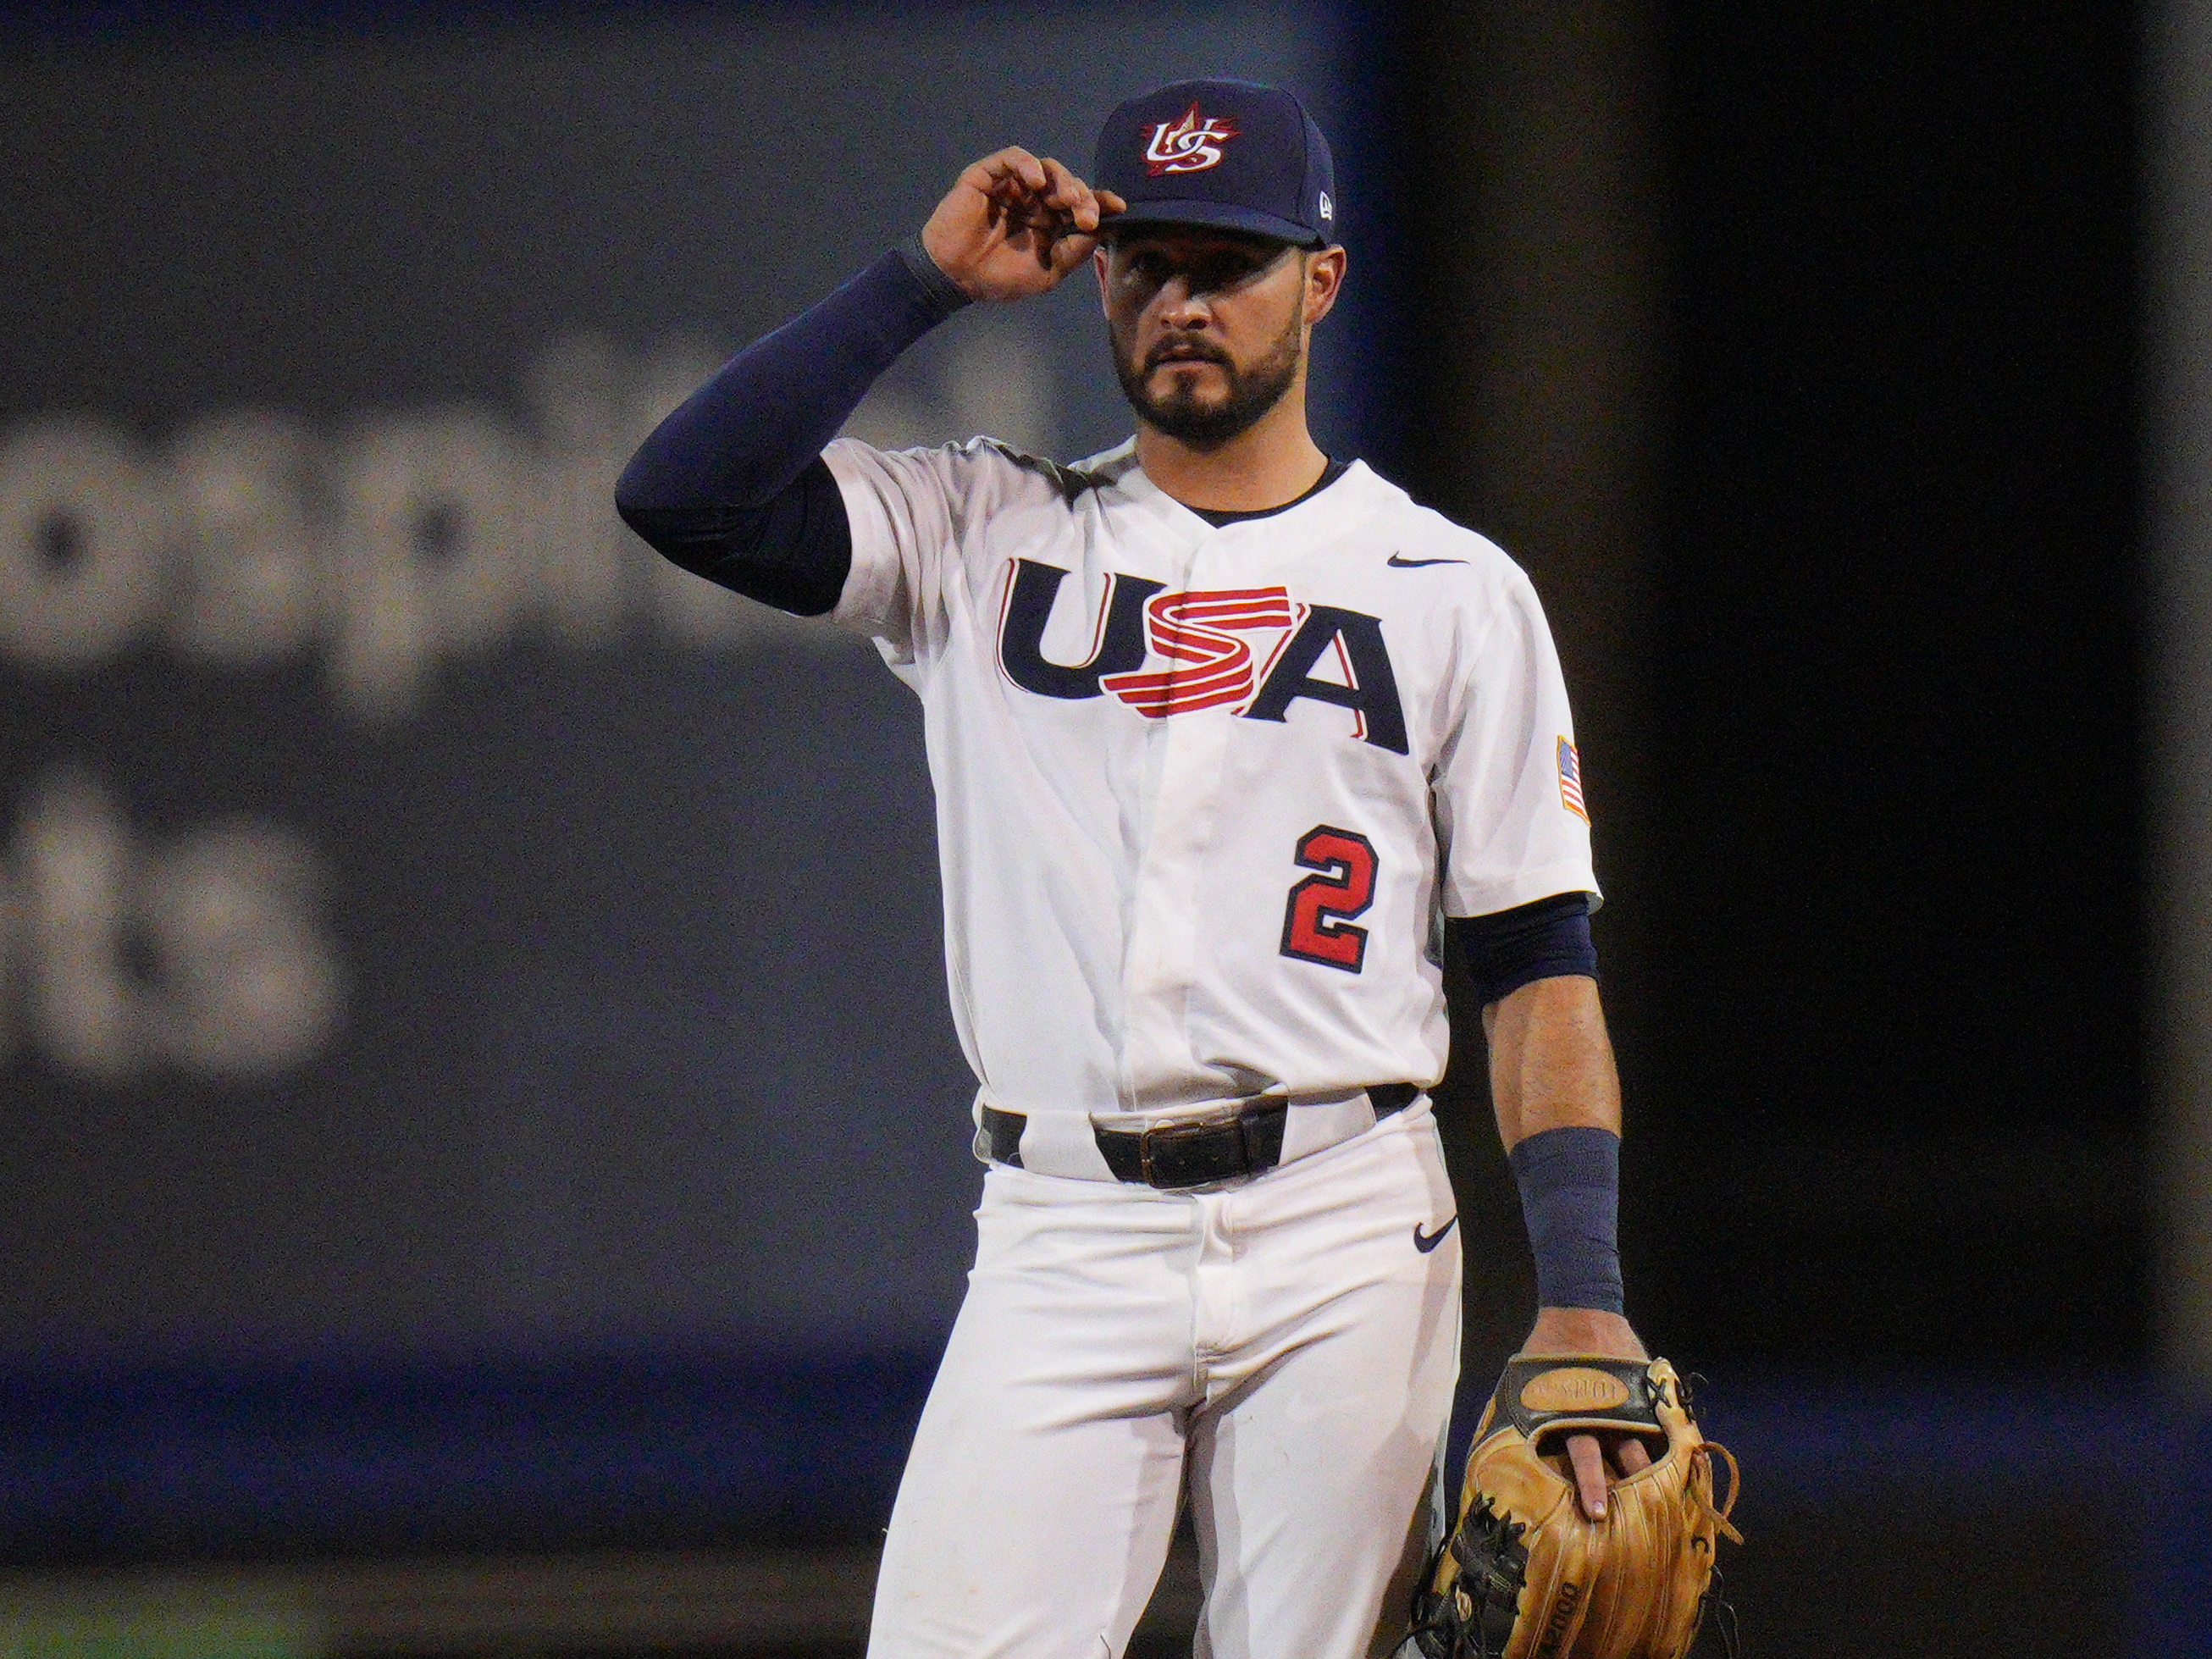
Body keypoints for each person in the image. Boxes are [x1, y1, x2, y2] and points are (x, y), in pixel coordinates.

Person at [617, 78, 1649, 1659]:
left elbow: (1534, 969)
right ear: (1095, 268)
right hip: (1061, 1226)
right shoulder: (983, 525)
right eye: (1146, 259)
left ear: (1321, 277)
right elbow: (683, 495)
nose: (1181, 302)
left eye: (1226, 262)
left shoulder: (1454, 591)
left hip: (1345, 1223)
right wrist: (925, 282)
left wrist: (1582, 1290)